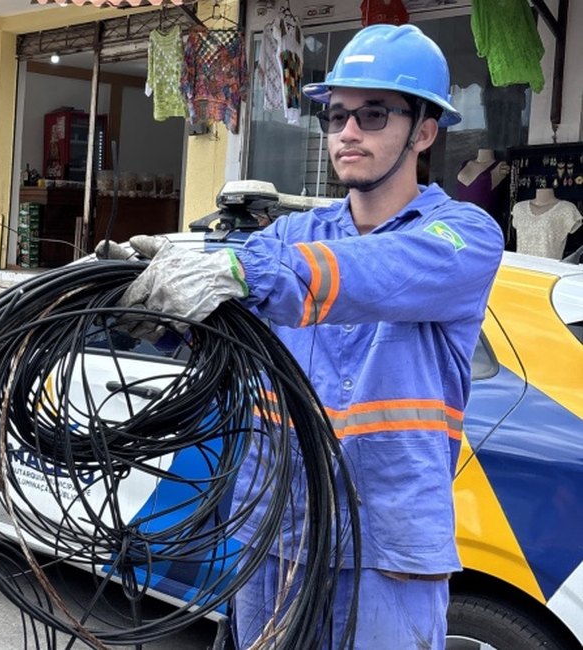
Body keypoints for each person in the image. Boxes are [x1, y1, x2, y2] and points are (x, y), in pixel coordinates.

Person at [100, 24, 503, 649]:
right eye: (337, 115)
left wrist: (237, 268)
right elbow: (228, 324)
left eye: (373, 114)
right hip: (277, 537)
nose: (347, 132)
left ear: (424, 131)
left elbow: (376, 272)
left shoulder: (462, 236)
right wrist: (154, 304)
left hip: (385, 550)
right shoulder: (293, 237)